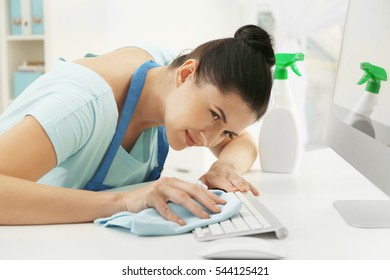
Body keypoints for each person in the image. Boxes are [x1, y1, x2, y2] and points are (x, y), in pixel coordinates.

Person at [0, 24, 275, 226]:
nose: (209, 141)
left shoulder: (168, 77)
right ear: (187, 74)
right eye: (215, 115)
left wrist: (223, 167)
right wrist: (124, 201)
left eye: (226, 131)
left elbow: (243, 142)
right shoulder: (83, 105)